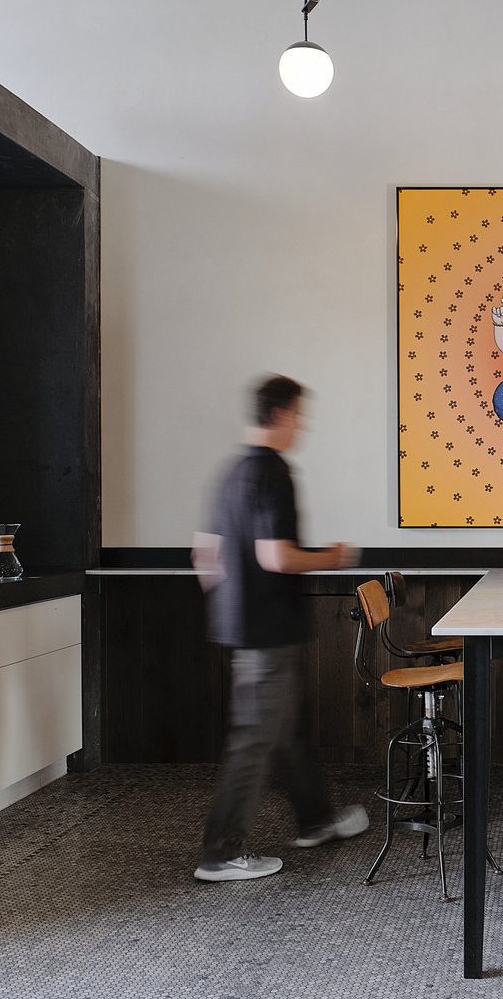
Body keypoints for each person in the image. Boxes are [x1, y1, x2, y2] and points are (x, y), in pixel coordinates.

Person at [190, 374, 370, 883]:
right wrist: (332, 557)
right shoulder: (273, 472)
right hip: (267, 630)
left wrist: (232, 604)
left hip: (247, 626)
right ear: (284, 414)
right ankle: (219, 853)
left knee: (285, 730)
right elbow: (276, 556)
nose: (303, 427)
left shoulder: (230, 473)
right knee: (253, 738)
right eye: (301, 416)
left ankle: (315, 821)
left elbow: (204, 555)